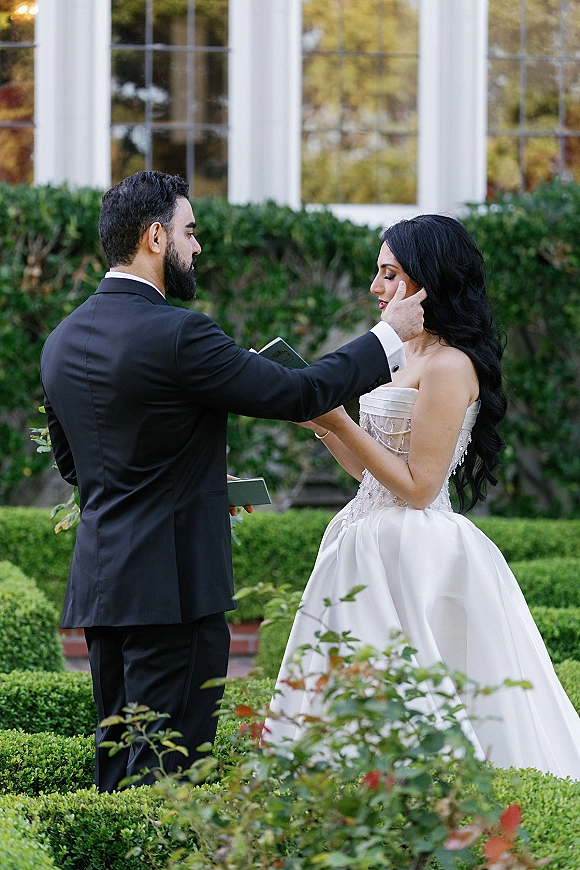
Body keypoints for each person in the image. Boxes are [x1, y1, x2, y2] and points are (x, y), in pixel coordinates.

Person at [39, 170, 425, 792]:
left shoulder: (62, 341)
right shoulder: (180, 334)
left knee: (118, 767)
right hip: (175, 592)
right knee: (171, 778)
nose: (198, 247)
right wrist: (388, 337)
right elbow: (299, 392)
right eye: (190, 232)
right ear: (157, 238)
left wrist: (193, 479)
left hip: (103, 591)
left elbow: (77, 467)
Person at [265, 214, 580, 779]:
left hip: (415, 548)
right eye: (376, 273)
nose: (375, 286)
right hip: (362, 536)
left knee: (420, 688)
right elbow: (370, 473)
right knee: (349, 687)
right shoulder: (404, 358)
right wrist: (326, 426)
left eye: (388, 273)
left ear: (425, 283)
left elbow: (418, 486)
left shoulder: (451, 365)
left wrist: (343, 418)